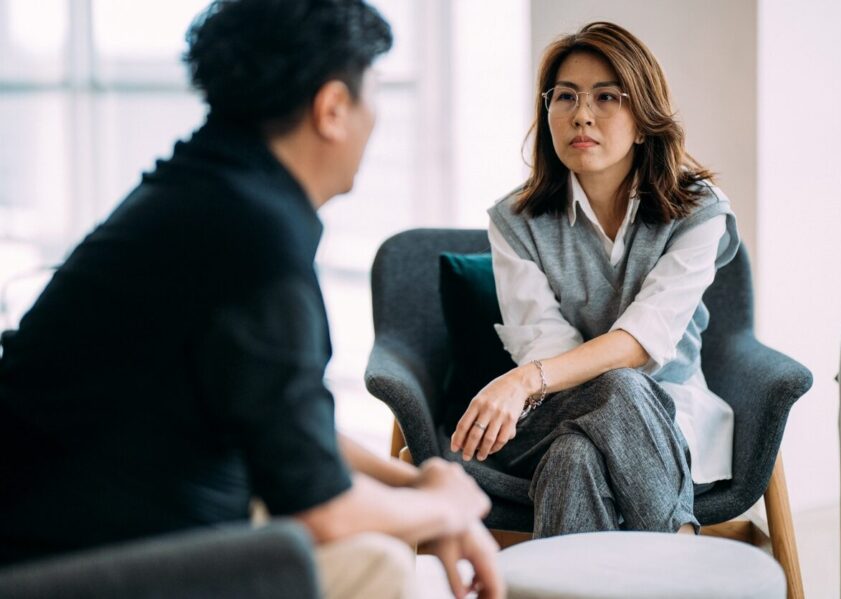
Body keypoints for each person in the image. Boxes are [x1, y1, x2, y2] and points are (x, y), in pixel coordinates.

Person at [0, 1, 504, 598]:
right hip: (77, 567)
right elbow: (323, 509)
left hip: (67, 527)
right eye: (374, 97)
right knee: (375, 560)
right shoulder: (255, 240)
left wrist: (417, 486)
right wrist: (448, 506)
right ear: (333, 109)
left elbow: (285, 429)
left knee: (379, 531)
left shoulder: (204, 190)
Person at [450, 21, 740, 538]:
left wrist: (521, 380)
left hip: (667, 415)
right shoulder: (513, 222)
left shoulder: (700, 211)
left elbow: (642, 341)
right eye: (565, 97)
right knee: (612, 391)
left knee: (575, 456)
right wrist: (536, 380)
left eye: (606, 96)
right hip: (556, 409)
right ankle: (681, 555)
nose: (581, 114)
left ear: (645, 117)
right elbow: (546, 341)